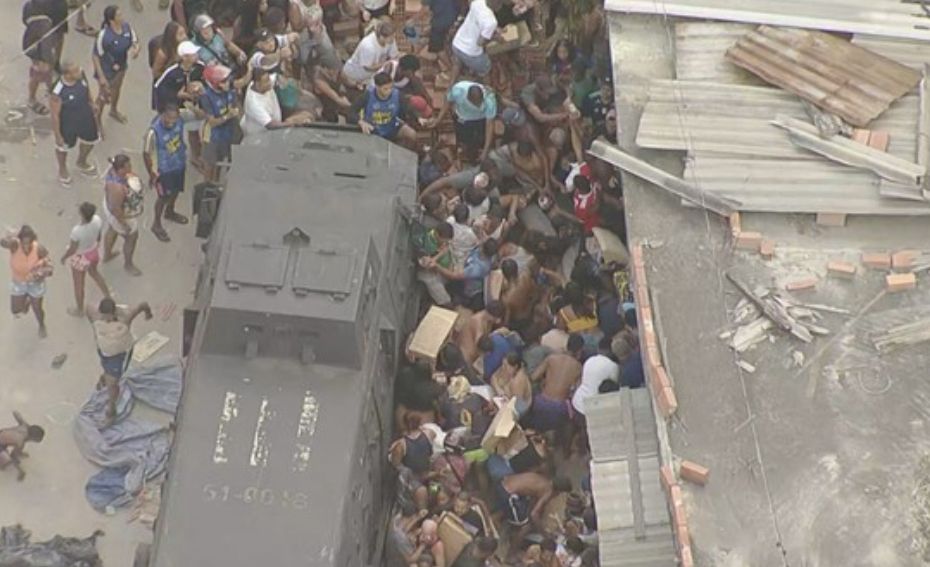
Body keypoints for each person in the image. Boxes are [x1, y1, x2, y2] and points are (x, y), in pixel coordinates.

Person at [87, 298, 153, 422]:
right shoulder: (95, 315)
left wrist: (148, 313)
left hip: (119, 356)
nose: (106, 320)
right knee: (106, 370)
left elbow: (142, 304)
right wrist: (95, 334)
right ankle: (105, 375)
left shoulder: (125, 317)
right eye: (104, 317)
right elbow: (88, 307)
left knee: (112, 384)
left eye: (109, 317)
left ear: (114, 312)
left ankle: (111, 410)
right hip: (104, 351)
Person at [155, 40, 207, 166]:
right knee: (172, 135)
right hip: (174, 109)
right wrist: (177, 96)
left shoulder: (200, 67)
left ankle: (196, 156)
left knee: (194, 132)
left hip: (192, 107)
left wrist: (201, 89)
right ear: (184, 57)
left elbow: (206, 83)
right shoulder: (172, 73)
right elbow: (159, 89)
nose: (197, 55)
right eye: (193, 54)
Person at [143, 105, 189, 242]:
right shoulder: (153, 132)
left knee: (176, 190)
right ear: (162, 115)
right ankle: (156, 224)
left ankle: (170, 212)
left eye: (174, 118)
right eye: (169, 118)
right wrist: (151, 173)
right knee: (163, 197)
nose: (172, 122)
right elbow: (146, 154)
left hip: (179, 164)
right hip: (163, 171)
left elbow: (199, 115)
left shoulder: (180, 119)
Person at [50, 61, 100, 186]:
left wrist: (92, 103)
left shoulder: (81, 76)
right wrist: (58, 135)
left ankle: (81, 161)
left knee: (90, 141)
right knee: (63, 148)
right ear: (67, 75)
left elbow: (87, 89)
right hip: (68, 123)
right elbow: (55, 115)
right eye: (75, 71)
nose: (80, 71)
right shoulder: (57, 90)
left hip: (85, 117)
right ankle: (62, 169)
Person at [92, 5, 140, 125]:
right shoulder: (104, 35)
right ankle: (97, 121)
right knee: (103, 95)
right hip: (106, 70)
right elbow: (95, 56)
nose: (122, 16)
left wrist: (136, 49)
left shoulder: (127, 27)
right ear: (111, 20)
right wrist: (101, 77)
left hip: (121, 66)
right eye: (118, 15)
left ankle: (113, 110)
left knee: (117, 89)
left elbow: (135, 41)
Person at [60, 202, 110, 317]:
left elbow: (73, 248)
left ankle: (79, 309)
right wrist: (96, 244)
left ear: (82, 214)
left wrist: (64, 257)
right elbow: (99, 236)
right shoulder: (97, 220)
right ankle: (107, 295)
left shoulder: (77, 231)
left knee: (78, 284)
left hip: (80, 257)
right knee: (95, 273)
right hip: (93, 252)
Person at [526, 333, 583, 433]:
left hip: (541, 402)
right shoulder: (578, 367)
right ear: (579, 351)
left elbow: (534, 377)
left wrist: (545, 381)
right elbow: (575, 390)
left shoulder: (551, 358)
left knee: (537, 432)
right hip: (559, 408)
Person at [2, 226, 51, 337]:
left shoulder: (39, 248)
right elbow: (3, 243)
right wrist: (10, 237)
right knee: (16, 310)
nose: (26, 246)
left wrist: (40, 273)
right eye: (24, 243)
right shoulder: (15, 246)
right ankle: (27, 300)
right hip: (19, 281)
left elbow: (49, 266)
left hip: (35, 283)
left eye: (29, 243)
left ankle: (42, 325)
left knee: (37, 308)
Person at [431, 81, 498, 161]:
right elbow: (447, 102)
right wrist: (438, 120)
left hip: (480, 120)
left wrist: (485, 151)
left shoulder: (490, 99)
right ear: (467, 97)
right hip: (462, 118)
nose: (479, 106)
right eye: (476, 103)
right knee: (464, 141)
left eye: (480, 102)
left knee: (480, 140)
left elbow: (489, 125)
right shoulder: (458, 90)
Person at [424, 238, 498, 310]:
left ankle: (449, 305)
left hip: (466, 289)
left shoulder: (477, 268)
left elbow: (453, 276)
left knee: (433, 280)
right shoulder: (484, 251)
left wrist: (436, 266)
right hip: (462, 268)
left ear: (482, 248)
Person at [101, 154, 144, 276]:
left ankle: (107, 254)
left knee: (112, 229)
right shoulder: (117, 189)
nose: (130, 168)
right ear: (120, 169)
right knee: (131, 238)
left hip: (109, 206)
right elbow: (116, 210)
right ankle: (128, 264)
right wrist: (124, 224)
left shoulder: (112, 171)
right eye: (127, 166)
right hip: (120, 214)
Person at [240, 67, 314, 137]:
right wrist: (293, 123)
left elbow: (276, 77)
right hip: (260, 135)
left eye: (269, 79)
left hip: (276, 122)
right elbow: (271, 125)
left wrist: (284, 82)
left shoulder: (262, 83)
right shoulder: (254, 103)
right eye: (266, 81)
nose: (270, 82)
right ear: (257, 84)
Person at [351, 72, 417, 146]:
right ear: (377, 87)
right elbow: (351, 112)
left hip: (392, 127)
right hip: (373, 129)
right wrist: (361, 122)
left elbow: (408, 109)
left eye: (391, 88)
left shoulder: (397, 95)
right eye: (385, 89)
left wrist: (418, 118)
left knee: (411, 133)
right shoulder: (367, 95)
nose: (389, 91)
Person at [199, 65, 239, 183]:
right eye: (224, 81)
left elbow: (235, 106)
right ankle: (208, 187)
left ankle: (217, 185)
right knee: (210, 166)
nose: (228, 83)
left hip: (228, 135)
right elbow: (212, 122)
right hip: (212, 137)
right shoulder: (206, 97)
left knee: (223, 163)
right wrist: (228, 116)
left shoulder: (230, 92)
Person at [22, 0, 57, 116]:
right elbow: (43, 34)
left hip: (36, 42)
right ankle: (31, 99)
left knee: (48, 71)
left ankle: (52, 91)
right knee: (38, 74)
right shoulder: (44, 12)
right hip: (38, 46)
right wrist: (45, 58)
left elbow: (25, 21)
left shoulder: (28, 6)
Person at [451, 0, 499, 79]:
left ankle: (451, 84)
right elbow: (480, 43)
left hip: (456, 43)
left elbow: (479, 19)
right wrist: (495, 38)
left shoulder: (477, 2)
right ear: (498, 4)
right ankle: (481, 83)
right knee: (486, 68)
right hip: (470, 53)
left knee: (457, 63)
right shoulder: (492, 22)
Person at [571, 337, 620, 416]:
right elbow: (612, 391)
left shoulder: (589, 360)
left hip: (577, 401)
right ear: (611, 350)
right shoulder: (613, 366)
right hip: (593, 407)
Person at [342, 20, 398, 87]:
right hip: (353, 75)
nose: (393, 39)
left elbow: (394, 56)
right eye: (391, 37)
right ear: (382, 37)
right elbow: (368, 67)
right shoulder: (368, 46)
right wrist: (386, 64)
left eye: (394, 36)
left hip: (371, 76)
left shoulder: (391, 40)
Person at [0, 412, 45, 481]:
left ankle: (16, 453)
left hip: (2, 433)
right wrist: (21, 470)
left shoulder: (25, 425)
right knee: (7, 462)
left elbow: (16, 414)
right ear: (32, 438)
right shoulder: (20, 442)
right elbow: (13, 456)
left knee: (14, 450)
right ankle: (3, 464)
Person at [456, 301, 503, 366]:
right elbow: (480, 343)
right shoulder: (478, 322)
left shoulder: (487, 319)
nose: (498, 321)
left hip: (476, 349)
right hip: (467, 352)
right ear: (489, 314)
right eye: (496, 318)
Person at [491, 351, 532, 417]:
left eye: (505, 366)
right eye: (502, 364)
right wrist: (498, 389)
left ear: (515, 367)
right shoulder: (505, 368)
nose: (502, 367)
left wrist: (502, 395)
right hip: (503, 398)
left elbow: (514, 404)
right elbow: (493, 377)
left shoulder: (517, 381)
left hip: (517, 408)